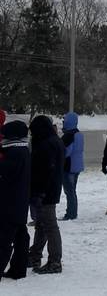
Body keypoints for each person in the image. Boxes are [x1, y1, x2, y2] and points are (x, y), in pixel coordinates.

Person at [27, 115, 64, 274]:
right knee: (42, 225)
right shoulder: (55, 141)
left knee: (49, 226)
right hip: (51, 189)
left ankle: (55, 261)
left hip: (45, 191)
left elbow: (44, 170)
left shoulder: (46, 144)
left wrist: (39, 191)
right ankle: (34, 255)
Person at [0, 120, 31, 282]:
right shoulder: (22, 150)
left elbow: (5, 173)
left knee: (4, 239)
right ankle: (19, 269)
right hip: (19, 201)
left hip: (10, 203)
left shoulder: (14, 154)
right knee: (21, 237)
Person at [61, 112, 84, 220]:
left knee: (69, 192)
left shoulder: (68, 136)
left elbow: (67, 152)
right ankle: (72, 212)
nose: (63, 122)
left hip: (69, 167)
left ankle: (71, 214)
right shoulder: (79, 134)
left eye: (64, 120)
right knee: (72, 191)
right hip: (77, 166)